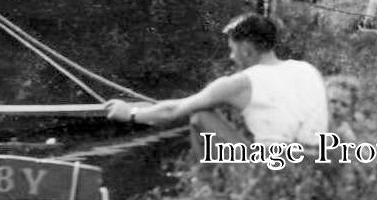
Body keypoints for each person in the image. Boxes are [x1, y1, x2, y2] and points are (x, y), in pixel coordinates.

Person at [104, 14, 329, 148]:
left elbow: (174, 111)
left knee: (200, 116)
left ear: (247, 50)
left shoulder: (241, 83)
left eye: (233, 50)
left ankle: (213, 194)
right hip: (314, 169)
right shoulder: (307, 69)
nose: (231, 57)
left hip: (273, 174)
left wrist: (130, 113)